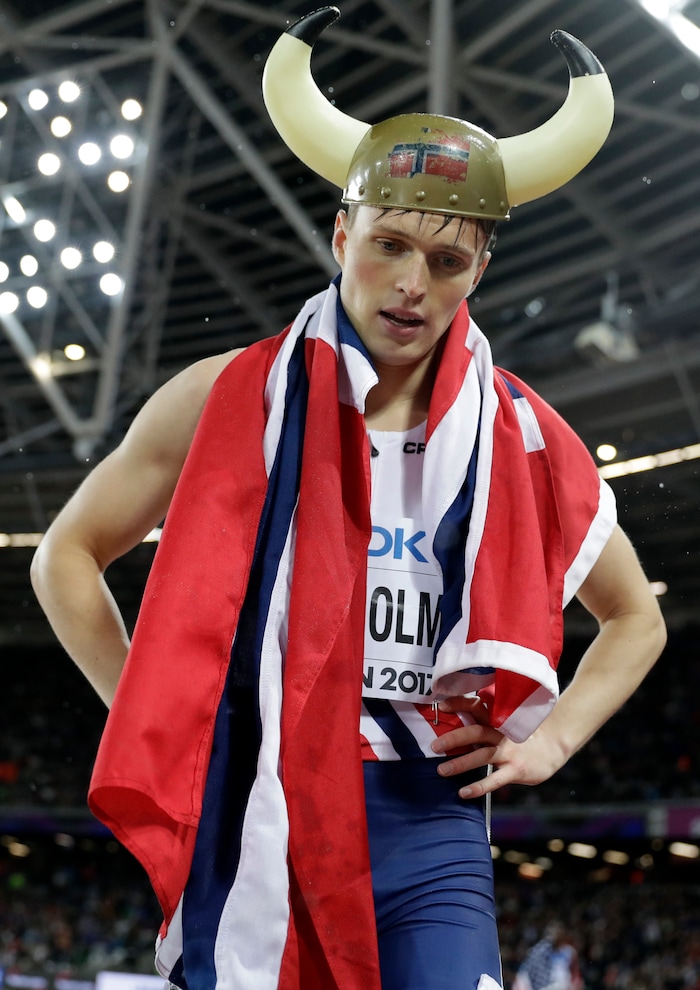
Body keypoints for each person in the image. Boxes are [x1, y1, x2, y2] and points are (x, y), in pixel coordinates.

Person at [31, 8, 666, 990]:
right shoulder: (221, 396)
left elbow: (634, 618)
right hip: (261, 796)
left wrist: (558, 742)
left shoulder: (524, 435)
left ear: (478, 270)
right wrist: (164, 707)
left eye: (446, 260)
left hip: (429, 822)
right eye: (388, 245)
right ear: (342, 233)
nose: (409, 284)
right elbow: (64, 555)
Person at [513, 923, 583, 990]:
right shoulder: (540, 950)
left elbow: (575, 972)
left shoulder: (569, 952)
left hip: (563, 985)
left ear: (562, 934)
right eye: (551, 932)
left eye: (557, 932)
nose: (553, 935)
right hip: (544, 985)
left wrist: (575, 984)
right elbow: (528, 969)